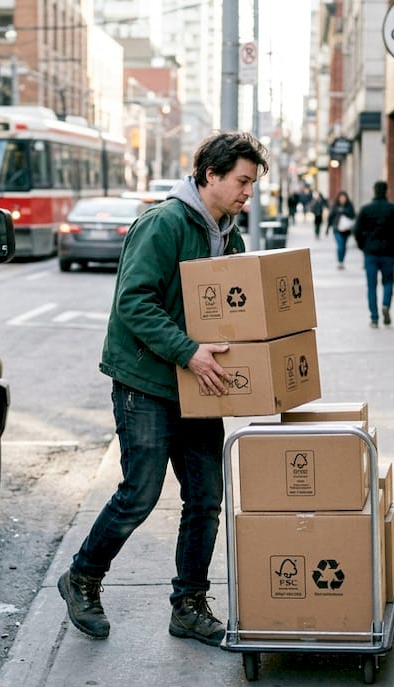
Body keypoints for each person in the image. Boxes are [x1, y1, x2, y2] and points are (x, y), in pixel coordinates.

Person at [57, 131, 270, 647]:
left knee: (205, 498)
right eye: (242, 181)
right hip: (146, 382)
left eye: (253, 184)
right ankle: (82, 578)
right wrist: (188, 351)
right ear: (210, 175)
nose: (248, 193)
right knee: (141, 492)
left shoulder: (228, 234)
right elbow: (134, 303)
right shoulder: (164, 224)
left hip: (198, 387)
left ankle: (188, 607)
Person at [354, 180, 394, 328]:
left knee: (371, 286)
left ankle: (374, 318)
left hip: (370, 253)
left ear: (374, 191)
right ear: (386, 191)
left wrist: (362, 246)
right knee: (388, 282)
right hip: (388, 252)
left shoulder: (366, 209)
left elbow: (357, 231)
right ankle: (385, 305)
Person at [327, 190, 356, 269]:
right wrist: (327, 228)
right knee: (340, 246)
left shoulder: (349, 206)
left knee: (344, 246)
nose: (342, 199)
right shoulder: (335, 206)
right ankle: (340, 262)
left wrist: (344, 211)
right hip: (337, 229)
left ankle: (342, 261)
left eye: (344, 198)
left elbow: (353, 215)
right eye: (341, 198)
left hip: (346, 230)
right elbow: (330, 217)